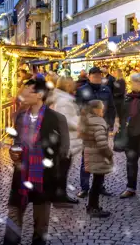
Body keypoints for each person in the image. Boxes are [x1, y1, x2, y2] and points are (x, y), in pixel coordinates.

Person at [4, 77, 63, 245]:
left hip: (42, 175)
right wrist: (14, 151)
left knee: (41, 219)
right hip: (21, 172)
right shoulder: (20, 117)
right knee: (14, 212)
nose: (23, 94)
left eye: (28, 91)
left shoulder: (53, 118)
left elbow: (57, 150)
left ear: (39, 95)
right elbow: (17, 141)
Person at [75, 67, 114, 199]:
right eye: (95, 76)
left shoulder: (106, 90)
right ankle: (84, 187)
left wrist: (110, 124)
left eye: (99, 76)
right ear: (89, 76)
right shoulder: (82, 90)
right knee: (86, 157)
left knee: (101, 156)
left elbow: (111, 107)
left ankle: (99, 186)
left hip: (102, 126)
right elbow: (78, 108)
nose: (97, 78)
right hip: (88, 128)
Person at [46, 76, 82, 205]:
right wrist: (79, 124)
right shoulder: (64, 101)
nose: (74, 86)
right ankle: (59, 196)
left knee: (61, 168)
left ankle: (58, 194)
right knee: (62, 169)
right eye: (72, 84)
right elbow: (65, 120)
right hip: (65, 140)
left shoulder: (60, 98)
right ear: (67, 85)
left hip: (61, 139)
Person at [79, 99, 113, 218]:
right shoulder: (98, 122)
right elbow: (102, 144)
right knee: (97, 183)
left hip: (89, 152)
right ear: (96, 109)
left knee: (96, 182)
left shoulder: (86, 119)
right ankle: (93, 207)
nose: (103, 110)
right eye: (102, 108)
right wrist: (109, 154)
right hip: (98, 155)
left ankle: (92, 206)